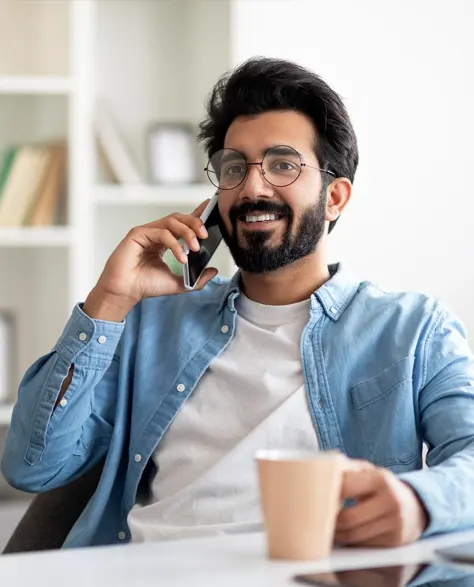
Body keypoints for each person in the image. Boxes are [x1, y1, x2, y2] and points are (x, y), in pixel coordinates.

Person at [2, 57, 474, 550]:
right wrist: (109, 301)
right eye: (234, 168)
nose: (252, 187)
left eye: (283, 164)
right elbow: (32, 466)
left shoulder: (415, 331)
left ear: (334, 197)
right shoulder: (149, 325)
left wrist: (419, 503)